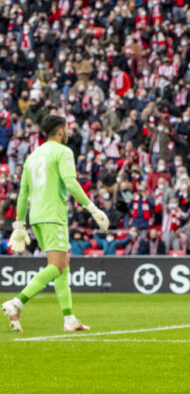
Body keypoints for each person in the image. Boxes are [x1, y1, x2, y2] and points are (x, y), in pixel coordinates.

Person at [3, 115, 110, 333]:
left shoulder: (32, 157)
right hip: (54, 214)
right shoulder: (63, 151)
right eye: (67, 129)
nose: (68, 132)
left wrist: (20, 224)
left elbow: (23, 192)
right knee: (57, 266)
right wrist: (92, 208)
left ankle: (69, 319)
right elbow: (70, 182)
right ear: (60, 131)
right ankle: (17, 301)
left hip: (37, 216)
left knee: (63, 266)